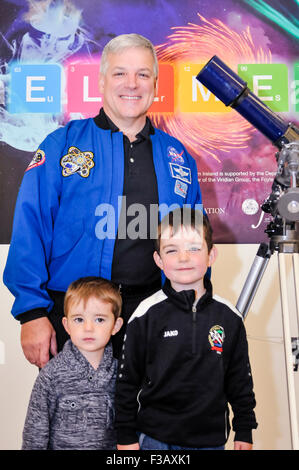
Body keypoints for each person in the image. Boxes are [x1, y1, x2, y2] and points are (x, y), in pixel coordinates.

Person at [3, 33, 203, 367]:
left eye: (142, 74)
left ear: (155, 84)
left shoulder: (178, 157)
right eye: (120, 73)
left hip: (153, 318)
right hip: (76, 319)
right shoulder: (62, 145)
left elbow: (193, 243)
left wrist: (194, 309)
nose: (132, 84)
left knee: (152, 418)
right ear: (101, 81)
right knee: (78, 420)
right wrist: (32, 314)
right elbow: (30, 228)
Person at [115, 207, 258, 451]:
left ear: (211, 255)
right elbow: (126, 382)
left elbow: (240, 380)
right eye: (172, 250)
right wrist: (125, 436)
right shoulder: (144, 314)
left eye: (194, 248)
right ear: (159, 260)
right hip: (154, 439)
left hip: (210, 441)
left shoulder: (229, 317)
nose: (183, 258)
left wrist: (244, 429)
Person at [22, 276, 123, 450]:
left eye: (99, 319)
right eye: (79, 319)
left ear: (116, 325)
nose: (88, 328)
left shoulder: (121, 372)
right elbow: (35, 432)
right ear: (66, 325)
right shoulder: (52, 375)